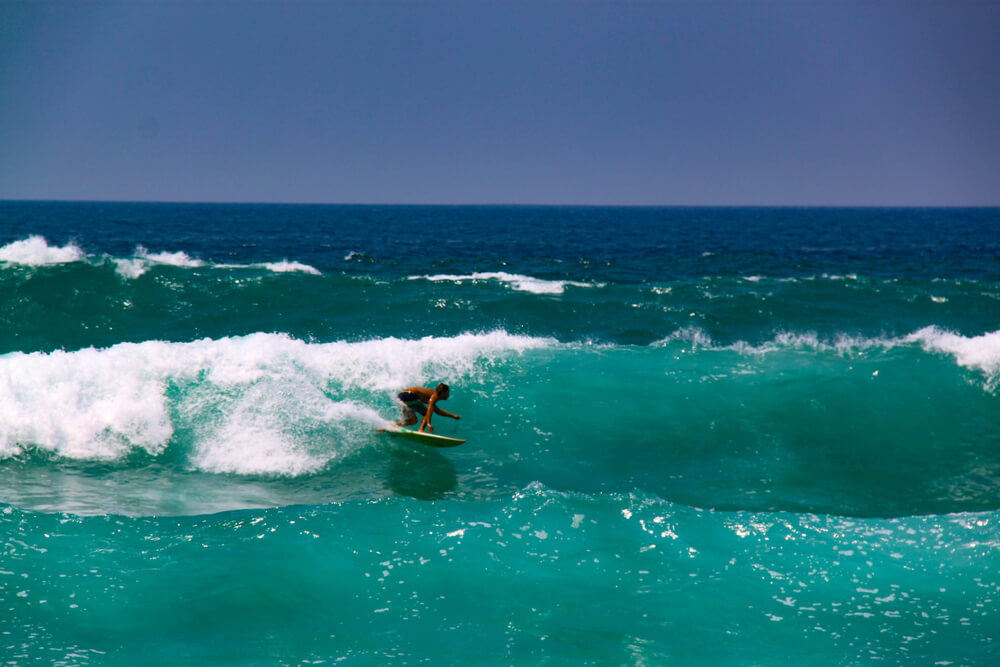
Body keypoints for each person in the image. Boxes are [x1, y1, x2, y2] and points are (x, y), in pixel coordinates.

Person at [396, 383, 460, 432]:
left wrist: (453, 416)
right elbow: (429, 409)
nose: (448, 395)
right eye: (448, 392)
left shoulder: (430, 395)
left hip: (402, 396)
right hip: (410, 395)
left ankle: (394, 426)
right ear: (444, 392)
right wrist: (428, 423)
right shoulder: (434, 395)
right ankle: (421, 429)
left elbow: (438, 411)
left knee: (413, 421)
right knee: (427, 412)